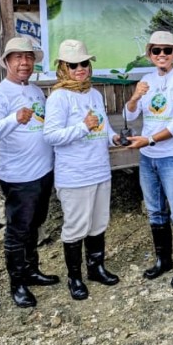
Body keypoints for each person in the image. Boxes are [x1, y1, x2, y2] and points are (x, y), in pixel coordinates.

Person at [0, 37, 59, 309]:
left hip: (44, 170)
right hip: (18, 175)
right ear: (6, 62)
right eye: (18, 57)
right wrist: (14, 118)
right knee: (18, 230)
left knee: (35, 224)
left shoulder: (37, 91)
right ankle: (17, 283)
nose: (24, 63)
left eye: (28, 57)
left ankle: (31, 270)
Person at [43, 40, 121, 300]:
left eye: (84, 63)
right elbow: (51, 135)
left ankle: (96, 268)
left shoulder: (94, 94)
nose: (80, 69)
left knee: (98, 223)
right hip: (75, 175)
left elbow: (104, 127)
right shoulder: (58, 97)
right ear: (63, 68)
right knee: (76, 227)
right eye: (73, 65)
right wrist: (83, 127)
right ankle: (74, 277)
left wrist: (114, 138)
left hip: (100, 169)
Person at [124, 32, 173, 289]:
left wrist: (150, 139)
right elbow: (130, 116)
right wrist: (135, 97)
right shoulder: (146, 80)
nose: (162, 55)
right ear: (150, 54)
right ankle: (163, 260)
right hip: (148, 158)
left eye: (167, 50)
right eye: (157, 50)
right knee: (155, 210)